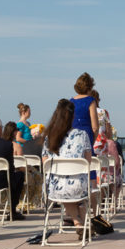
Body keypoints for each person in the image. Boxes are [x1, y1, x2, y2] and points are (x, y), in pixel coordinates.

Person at [42, 98, 92, 233]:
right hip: (78, 187)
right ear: (72, 116)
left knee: (63, 185)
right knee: (76, 191)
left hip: (53, 189)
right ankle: (81, 223)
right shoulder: (82, 135)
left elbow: (45, 164)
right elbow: (87, 162)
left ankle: (77, 222)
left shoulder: (49, 137)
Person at [0, 121, 25, 220]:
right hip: (2, 182)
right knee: (19, 175)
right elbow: (11, 168)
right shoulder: (7, 145)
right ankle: (12, 210)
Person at [70, 72, 99, 149]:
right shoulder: (90, 101)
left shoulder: (71, 101)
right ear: (90, 87)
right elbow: (95, 128)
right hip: (86, 137)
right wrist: (92, 141)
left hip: (72, 138)